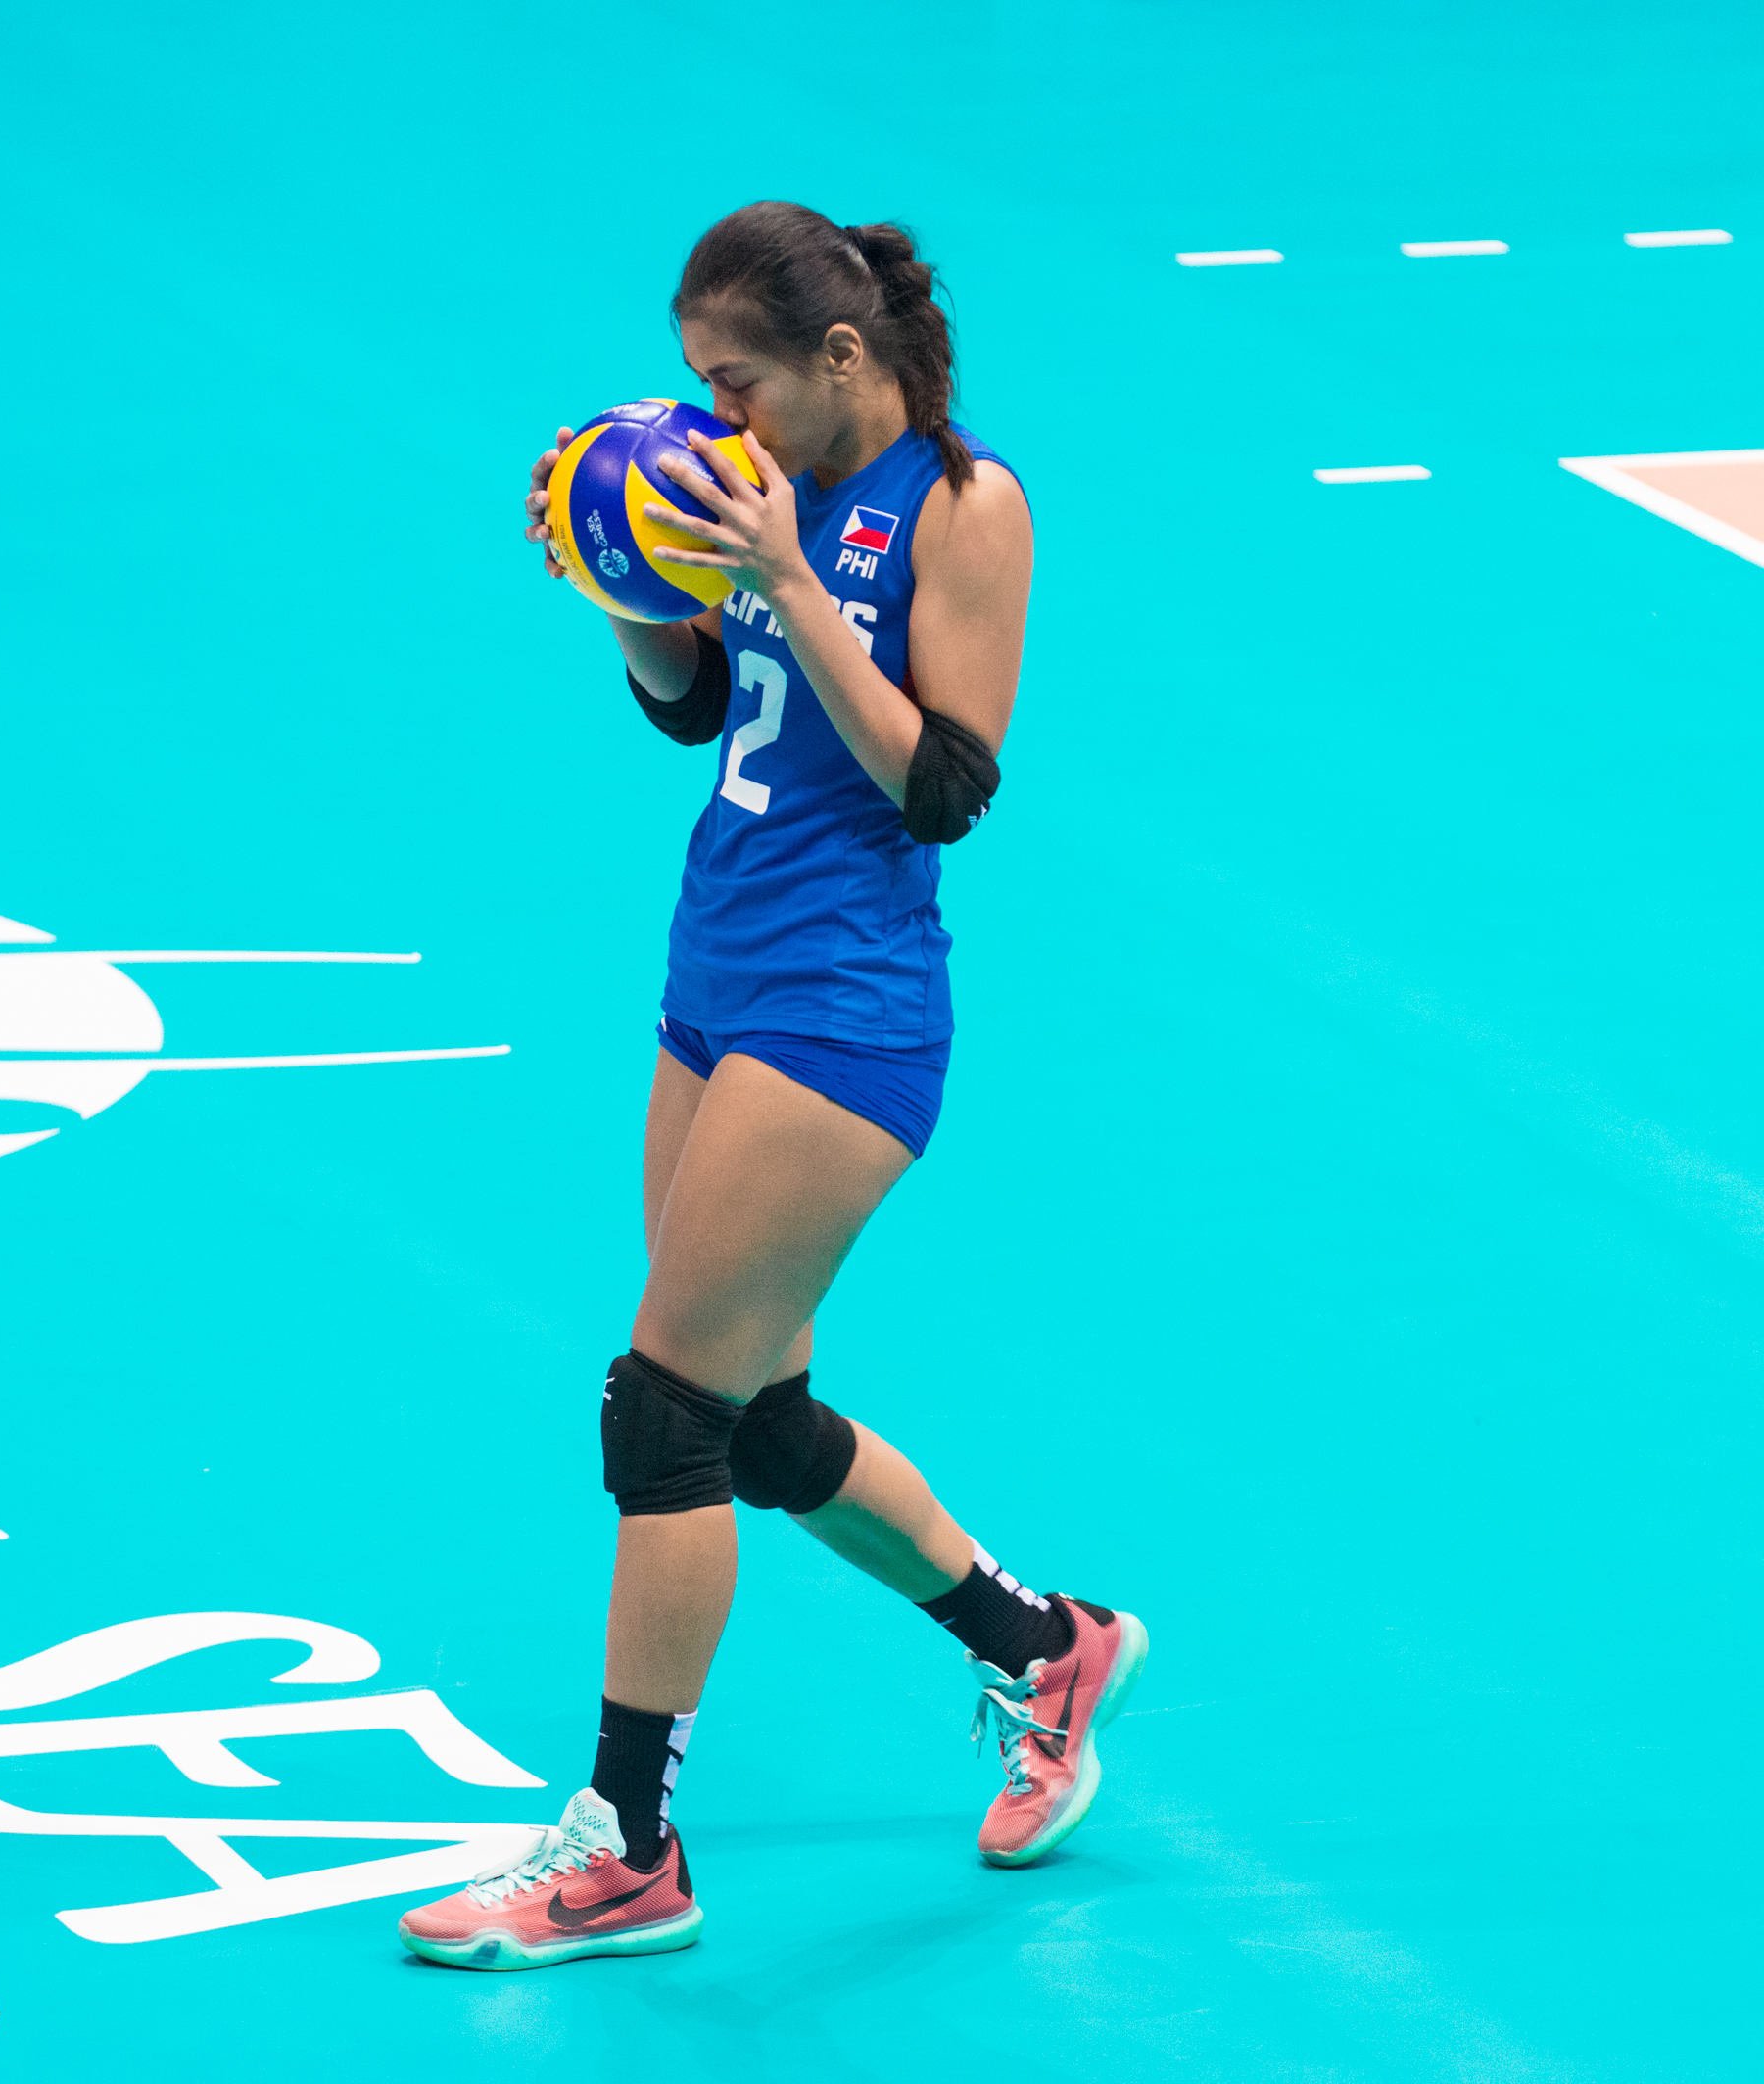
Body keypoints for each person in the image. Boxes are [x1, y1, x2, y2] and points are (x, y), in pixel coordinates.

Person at [398, 201, 1145, 1972]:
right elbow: (695, 704)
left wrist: (790, 577)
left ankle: (628, 1847)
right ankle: (1045, 1646)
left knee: (661, 1411)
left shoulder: (964, 504)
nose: (714, 419)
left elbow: (944, 785)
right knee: (759, 1425)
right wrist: (628, 585)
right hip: (714, 967)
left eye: (734, 382)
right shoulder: (756, 486)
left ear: (839, 359)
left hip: (847, 1007)